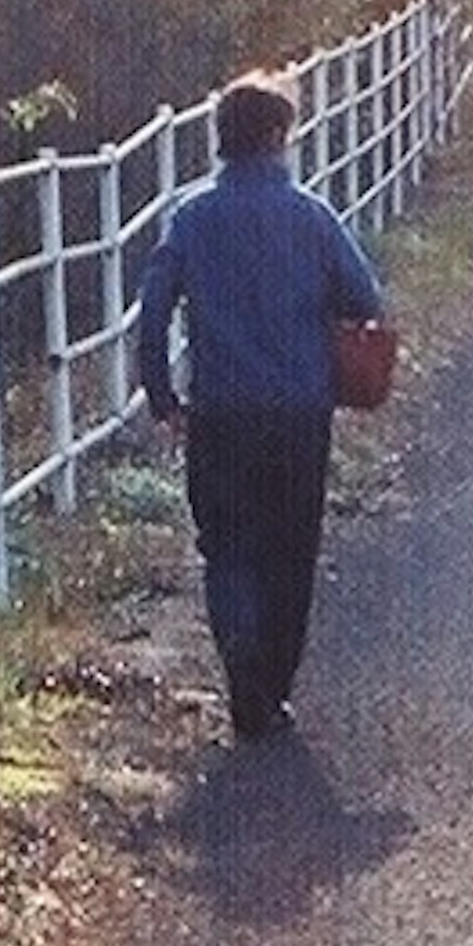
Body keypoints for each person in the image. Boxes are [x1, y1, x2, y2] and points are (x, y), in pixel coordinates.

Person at [130, 70, 388, 742]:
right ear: (277, 135)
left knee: (227, 546)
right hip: (300, 412)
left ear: (222, 139)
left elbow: (152, 314)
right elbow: (366, 299)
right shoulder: (311, 216)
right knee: (292, 548)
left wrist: (164, 398)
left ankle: (240, 659)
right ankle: (271, 683)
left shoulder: (190, 217)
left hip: (219, 412)